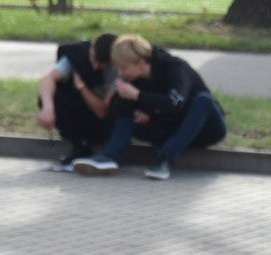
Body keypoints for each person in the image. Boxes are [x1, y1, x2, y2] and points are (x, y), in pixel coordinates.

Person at [72, 34, 226, 180]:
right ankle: (110, 156)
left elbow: (175, 104)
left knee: (204, 100)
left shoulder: (176, 68)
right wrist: (146, 115)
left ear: (140, 63)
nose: (120, 73)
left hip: (205, 128)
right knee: (123, 98)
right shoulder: (134, 79)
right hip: (170, 128)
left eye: (124, 68)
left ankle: (164, 160)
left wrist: (138, 96)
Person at [35, 32, 116, 171]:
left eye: (101, 65)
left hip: (102, 119)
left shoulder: (117, 69)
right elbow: (48, 80)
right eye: (94, 60)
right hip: (78, 107)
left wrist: (82, 87)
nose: (95, 67)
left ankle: (95, 146)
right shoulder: (78, 54)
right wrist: (48, 109)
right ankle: (79, 146)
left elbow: (102, 111)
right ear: (92, 50)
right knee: (50, 98)